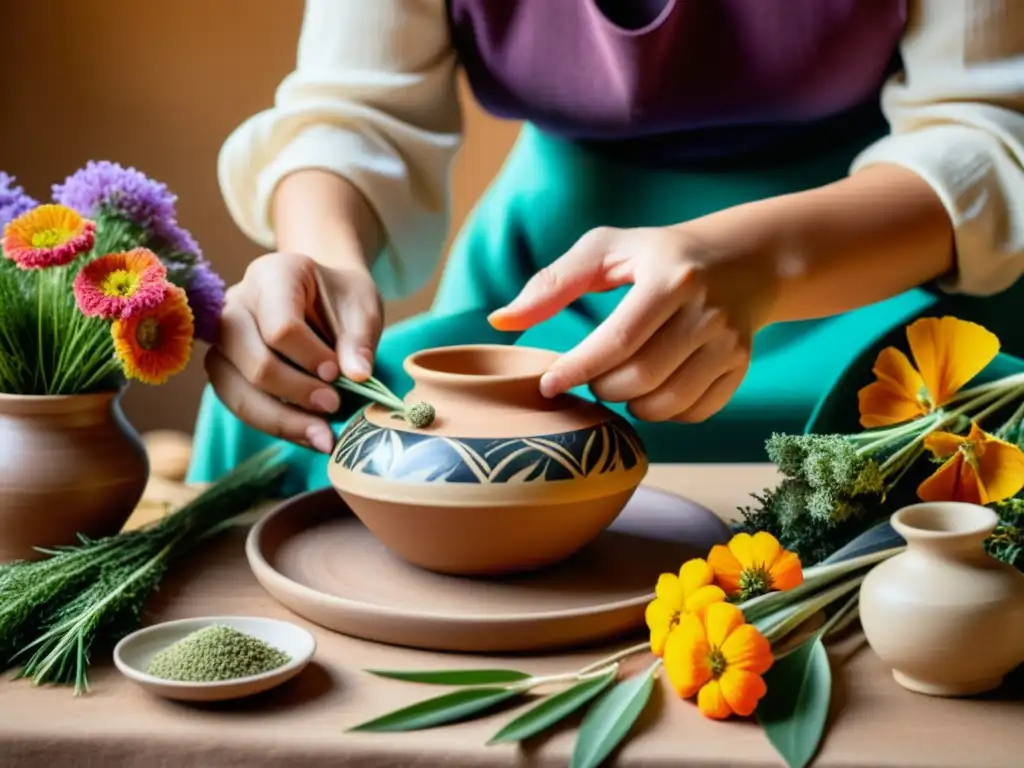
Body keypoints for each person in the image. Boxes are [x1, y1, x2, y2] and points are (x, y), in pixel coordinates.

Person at [188, 0, 1024, 494]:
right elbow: (354, 108)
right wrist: (321, 259)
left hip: (893, 265)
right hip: (552, 281)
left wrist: (757, 266)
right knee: (284, 418)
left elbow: (987, 130)